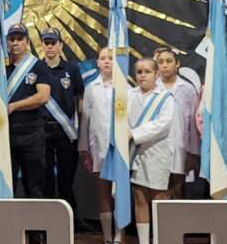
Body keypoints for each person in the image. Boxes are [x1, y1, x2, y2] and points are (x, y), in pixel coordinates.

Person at [79, 48, 123, 244]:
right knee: (103, 192)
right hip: (97, 147)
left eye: (110, 58)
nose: (106, 62)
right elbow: (86, 119)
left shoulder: (124, 87)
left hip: (119, 149)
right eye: (103, 58)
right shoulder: (91, 88)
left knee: (120, 193)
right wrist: (83, 147)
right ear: (97, 62)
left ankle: (120, 235)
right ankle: (107, 237)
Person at [129, 58, 174, 244]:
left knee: (158, 199)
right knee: (139, 197)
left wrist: (133, 134)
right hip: (134, 154)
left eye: (147, 71)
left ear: (156, 74)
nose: (142, 75)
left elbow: (163, 124)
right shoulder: (130, 94)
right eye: (139, 72)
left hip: (156, 152)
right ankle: (143, 241)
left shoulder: (166, 97)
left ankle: (159, 240)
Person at [4, 24, 51, 199]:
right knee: (6, 185)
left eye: (19, 39)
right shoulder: (0, 68)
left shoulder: (38, 66)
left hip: (32, 134)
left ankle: (35, 218)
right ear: (7, 43)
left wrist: (14, 106)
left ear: (27, 42)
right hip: (6, 134)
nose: (15, 43)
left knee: (34, 186)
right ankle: (7, 218)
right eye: (12, 39)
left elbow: (43, 96)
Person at [39, 28, 83, 210]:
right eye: (46, 43)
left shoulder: (72, 70)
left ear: (60, 45)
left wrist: (81, 131)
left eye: (53, 43)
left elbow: (79, 99)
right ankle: (48, 219)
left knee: (67, 180)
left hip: (66, 131)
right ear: (42, 45)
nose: (50, 47)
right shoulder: (36, 69)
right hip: (42, 130)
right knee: (45, 180)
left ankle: (71, 220)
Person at [154, 47, 199, 199]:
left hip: (181, 146)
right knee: (159, 192)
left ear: (177, 63)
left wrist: (193, 152)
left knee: (178, 191)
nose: (165, 65)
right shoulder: (152, 88)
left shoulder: (187, 89)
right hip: (157, 148)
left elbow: (193, 123)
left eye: (169, 61)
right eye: (161, 62)